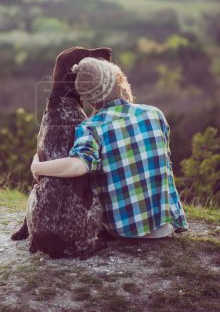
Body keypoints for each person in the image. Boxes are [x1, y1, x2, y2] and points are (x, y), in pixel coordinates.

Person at [31, 57, 188, 239]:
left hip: (123, 230)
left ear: (89, 99)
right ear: (119, 82)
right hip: (164, 225)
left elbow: (77, 166)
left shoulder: (90, 127)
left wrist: (37, 167)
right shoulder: (154, 114)